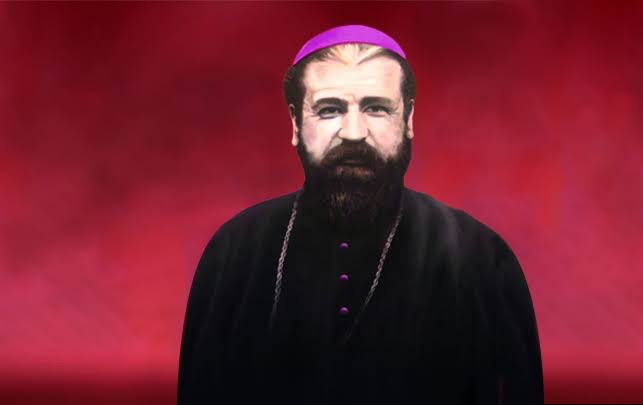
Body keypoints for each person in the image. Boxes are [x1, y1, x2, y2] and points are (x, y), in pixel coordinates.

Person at [177, 24, 543, 405]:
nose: (353, 132)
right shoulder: (233, 253)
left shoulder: (480, 256)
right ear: (296, 124)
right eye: (330, 110)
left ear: (408, 120)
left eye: (376, 108)